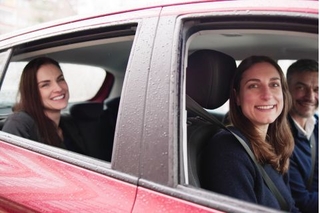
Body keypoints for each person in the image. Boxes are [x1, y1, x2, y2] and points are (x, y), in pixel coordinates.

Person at [199, 56, 299, 212]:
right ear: (237, 97)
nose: (267, 95)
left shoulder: (273, 143)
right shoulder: (228, 150)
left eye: (274, 84)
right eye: (253, 86)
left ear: (283, 93)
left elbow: (290, 207)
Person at [2, 57, 86, 154]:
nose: (58, 88)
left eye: (60, 79)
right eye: (45, 85)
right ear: (32, 92)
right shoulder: (19, 123)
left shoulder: (68, 124)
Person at [286, 59, 318, 213]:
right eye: (301, 87)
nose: (310, 97)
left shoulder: (316, 125)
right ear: (287, 89)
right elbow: (302, 201)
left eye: (317, 89)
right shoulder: (280, 137)